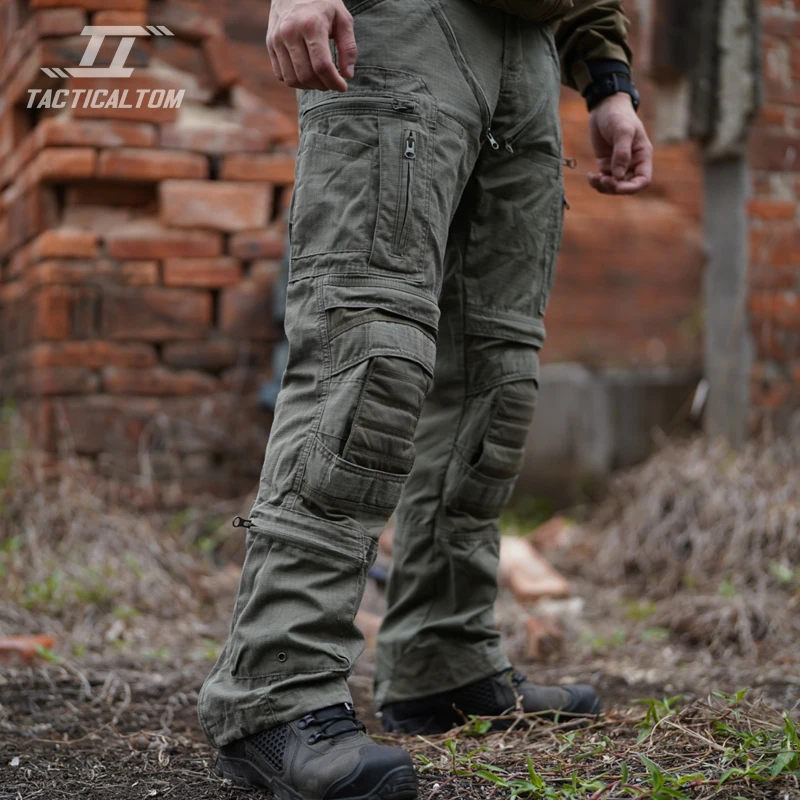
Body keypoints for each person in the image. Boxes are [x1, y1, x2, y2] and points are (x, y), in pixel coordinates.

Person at [199, 0, 653, 796]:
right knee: (367, 355)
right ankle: (274, 694)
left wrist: (606, 78)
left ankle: (444, 660)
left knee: (495, 380)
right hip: (403, 24)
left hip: (533, 47)